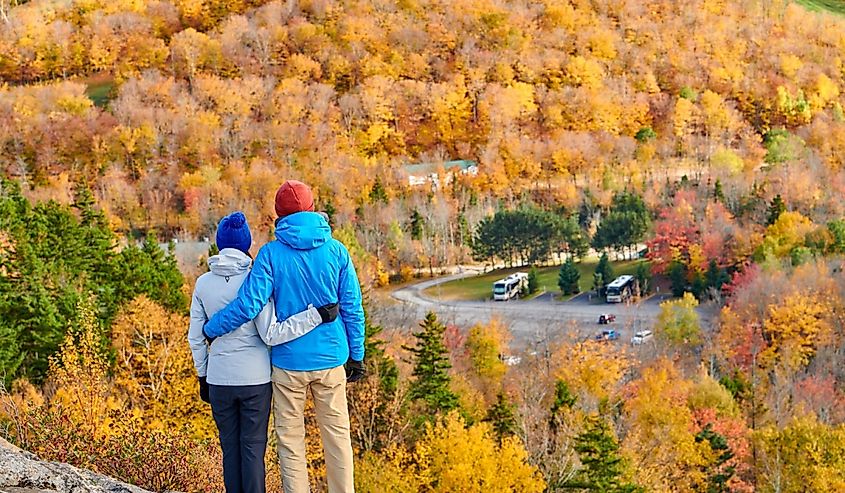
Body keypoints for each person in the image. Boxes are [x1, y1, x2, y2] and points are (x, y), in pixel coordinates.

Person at [204, 180, 366, 493]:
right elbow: (352, 308)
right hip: (331, 358)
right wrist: (356, 354)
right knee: (337, 438)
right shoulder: (337, 251)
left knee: (291, 443)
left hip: (288, 363)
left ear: (280, 214)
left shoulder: (270, 255)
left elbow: (249, 305)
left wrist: (212, 328)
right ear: (312, 208)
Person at [188, 211, 340, 493]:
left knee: (230, 451)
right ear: (246, 244)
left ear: (220, 244)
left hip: (219, 379)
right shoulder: (255, 279)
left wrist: (202, 375)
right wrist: (315, 316)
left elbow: (196, 337)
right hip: (255, 381)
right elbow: (273, 332)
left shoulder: (202, 284)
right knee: (253, 452)